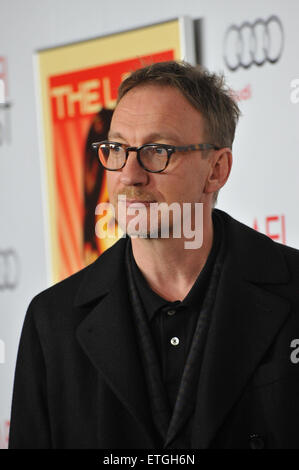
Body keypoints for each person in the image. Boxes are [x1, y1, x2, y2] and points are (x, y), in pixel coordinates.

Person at [9, 61, 299, 449]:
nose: (129, 175)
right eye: (116, 148)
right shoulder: (52, 322)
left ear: (216, 169)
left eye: (157, 150)